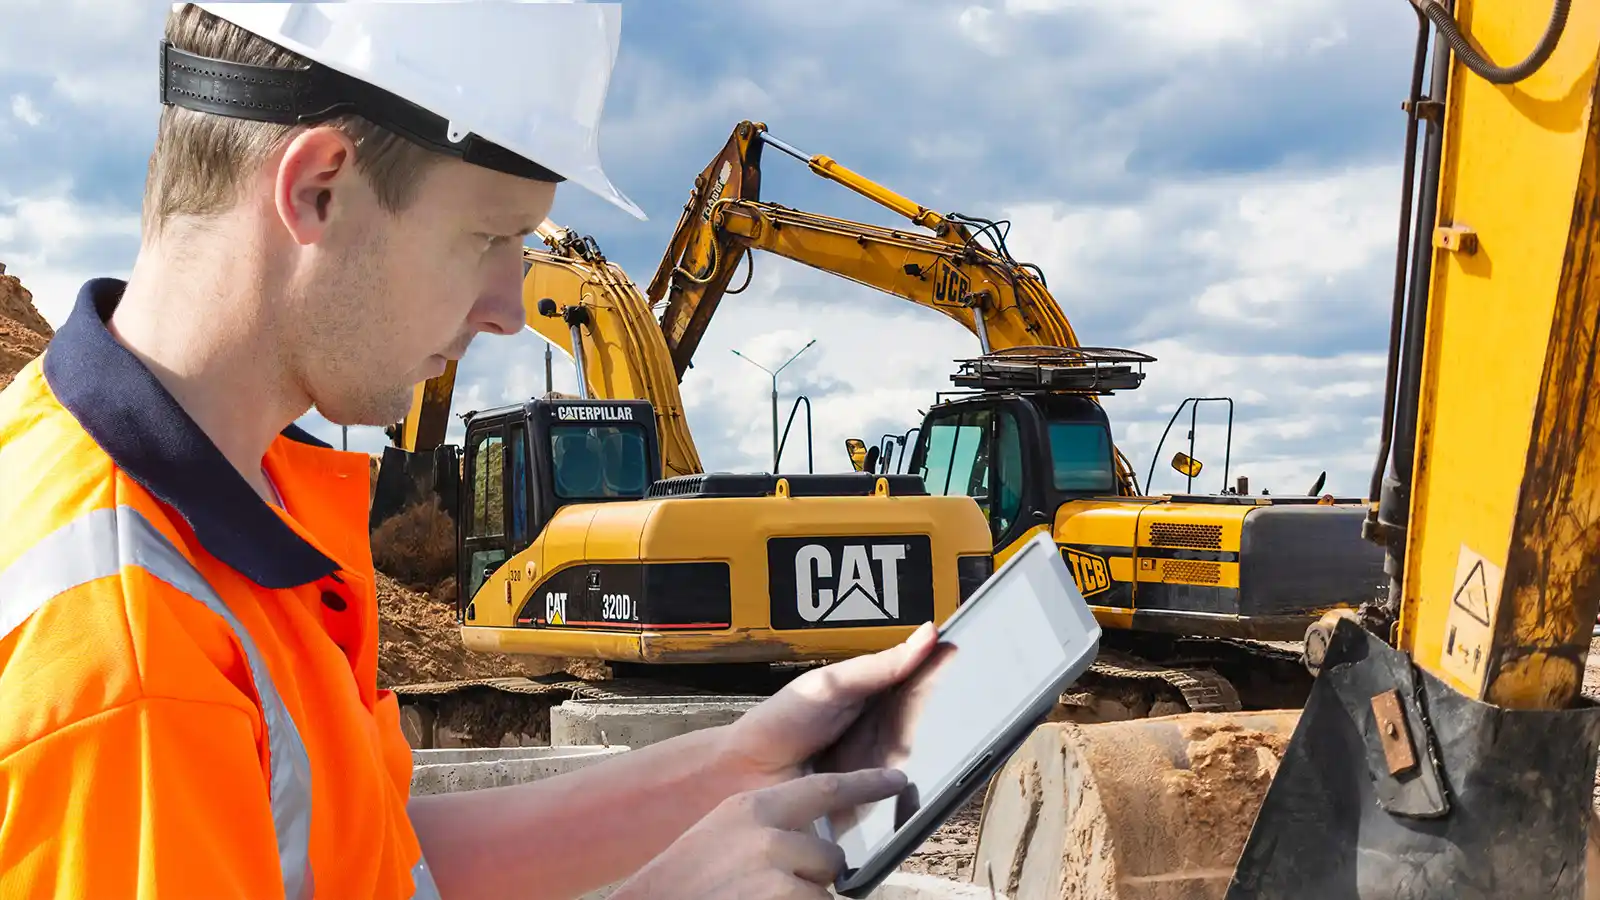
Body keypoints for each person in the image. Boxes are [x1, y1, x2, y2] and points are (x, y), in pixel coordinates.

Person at [0, 4, 936, 899]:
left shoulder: (207, 488)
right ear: (317, 188)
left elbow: (366, 856)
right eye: (488, 236)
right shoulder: (131, 668)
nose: (504, 306)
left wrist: (735, 763)